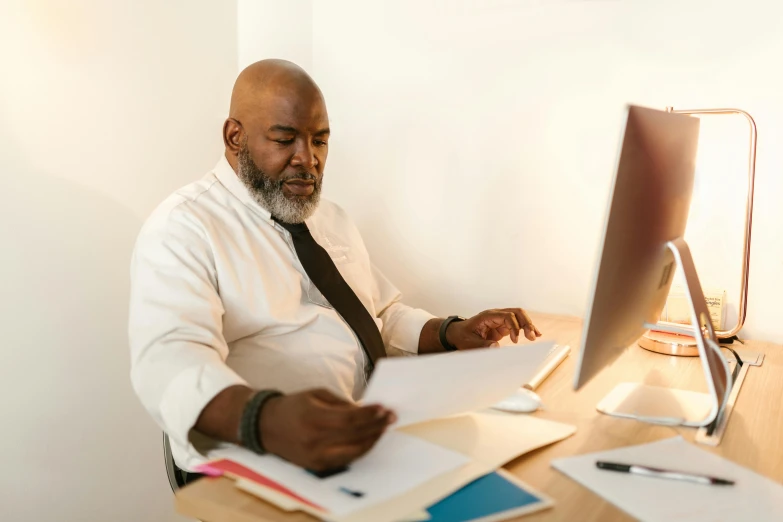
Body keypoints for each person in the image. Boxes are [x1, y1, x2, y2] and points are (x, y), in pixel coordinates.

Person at [128, 59, 542, 483]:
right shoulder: (184, 228)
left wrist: (451, 332)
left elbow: (378, 316)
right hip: (258, 461)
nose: (307, 160)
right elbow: (169, 363)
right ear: (235, 137)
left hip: (366, 441)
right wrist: (266, 418)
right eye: (285, 139)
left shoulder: (330, 219)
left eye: (320, 141)